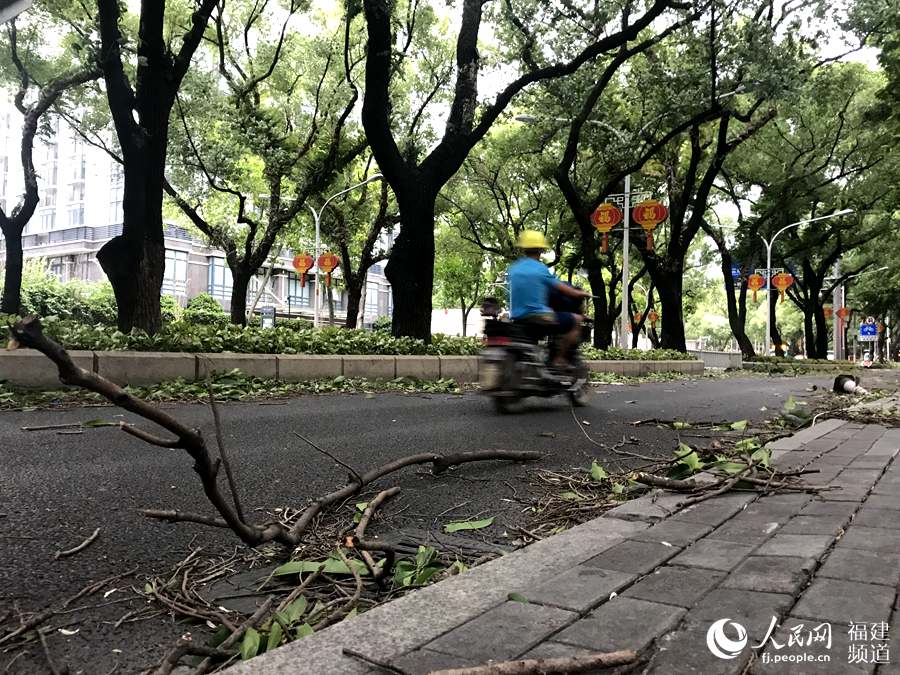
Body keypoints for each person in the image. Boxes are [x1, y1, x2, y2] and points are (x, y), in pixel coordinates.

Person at [508, 230, 590, 369]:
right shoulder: (540, 269)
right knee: (576, 320)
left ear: (524, 249)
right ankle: (558, 359)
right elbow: (563, 289)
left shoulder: (514, 269)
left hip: (517, 318)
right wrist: (580, 294)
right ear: (540, 250)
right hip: (539, 317)